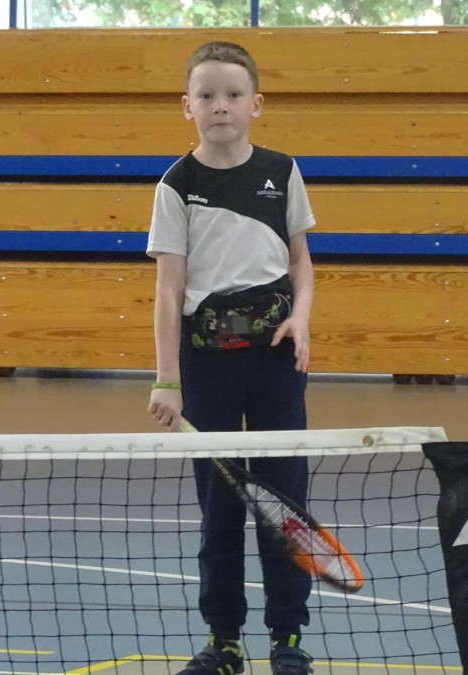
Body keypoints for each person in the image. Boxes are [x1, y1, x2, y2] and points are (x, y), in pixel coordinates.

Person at [145, 41, 316, 675]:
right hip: (206, 364)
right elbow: (169, 289)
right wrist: (167, 379)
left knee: (282, 500)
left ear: (256, 104)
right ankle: (224, 642)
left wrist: (301, 317)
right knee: (220, 506)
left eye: (234, 95)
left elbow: (301, 262)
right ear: (187, 106)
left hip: (274, 361)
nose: (221, 106)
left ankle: (287, 638)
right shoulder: (176, 186)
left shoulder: (283, 171)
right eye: (207, 96)